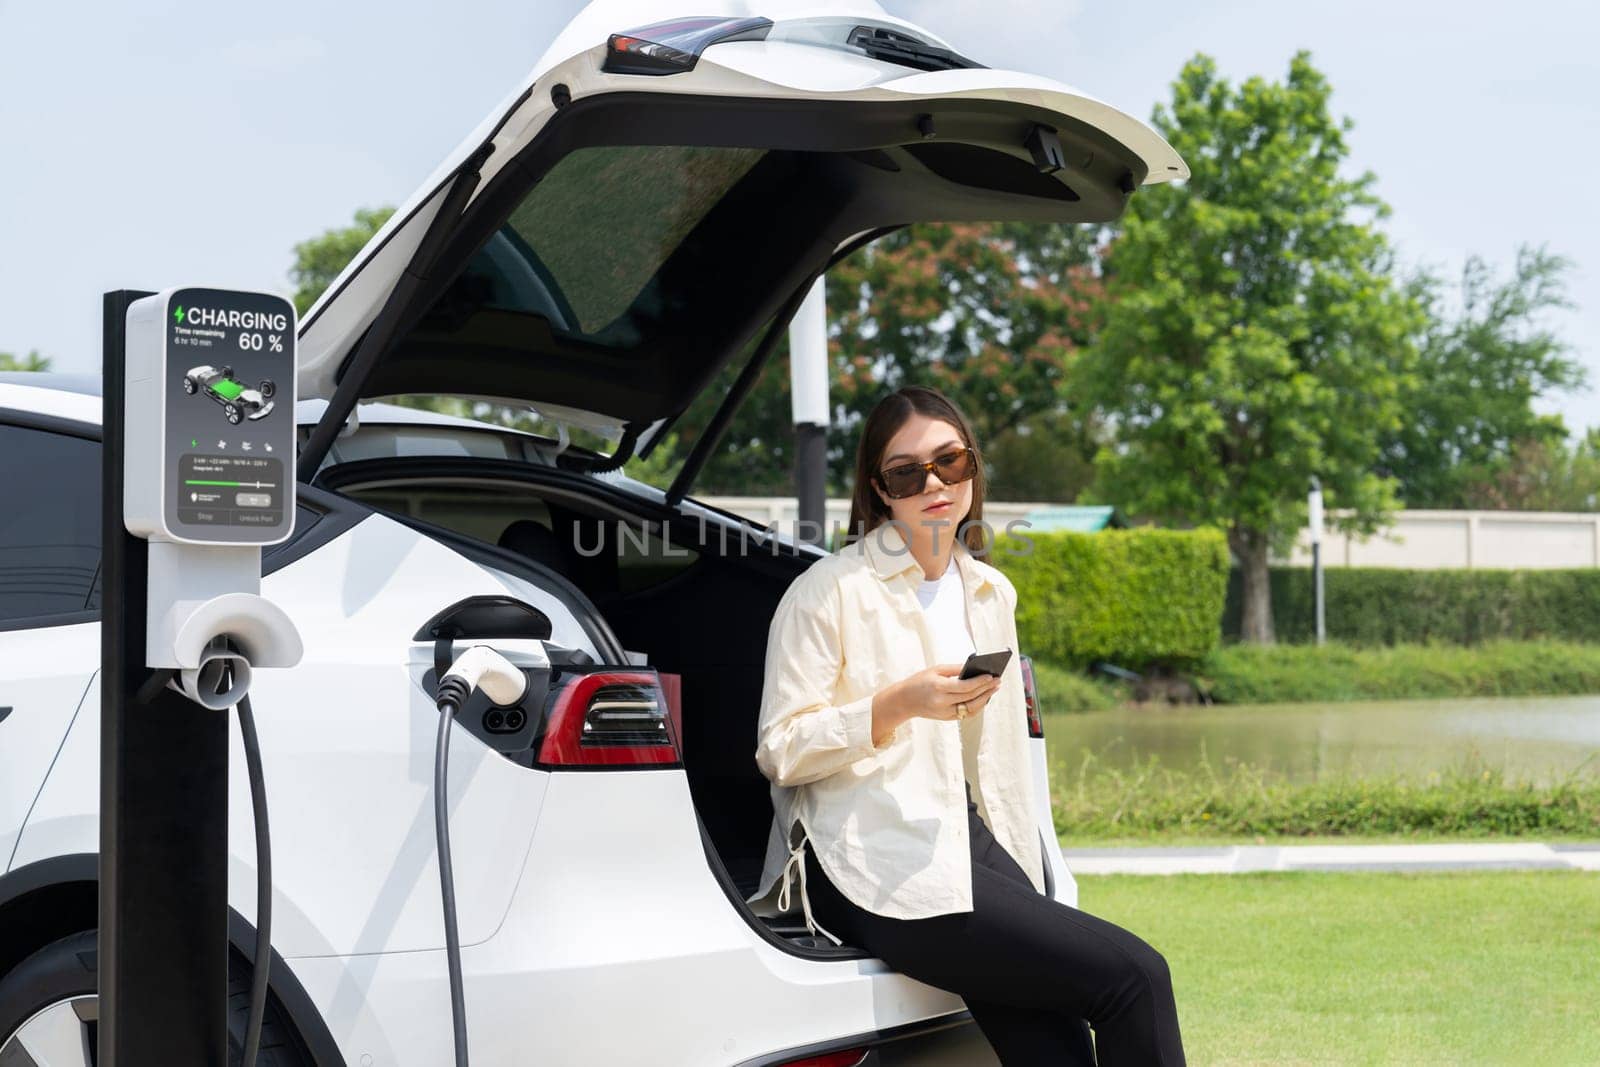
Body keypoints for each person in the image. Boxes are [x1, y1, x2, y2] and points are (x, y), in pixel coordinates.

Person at [746, 385, 1187, 1065]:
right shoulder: (827, 591)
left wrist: (1028, 886)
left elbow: (998, 765)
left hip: (965, 835)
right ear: (879, 490)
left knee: (1055, 1047)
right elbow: (779, 749)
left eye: (949, 461)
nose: (933, 483)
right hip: (864, 853)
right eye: (906, 471)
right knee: (1136, 977)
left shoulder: (989, 590)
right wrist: (896, 704)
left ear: (973, 467)